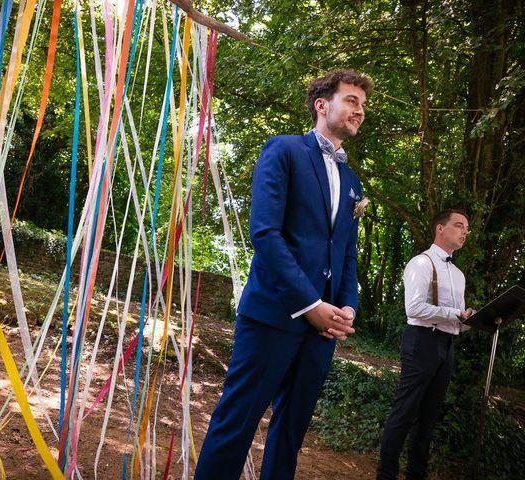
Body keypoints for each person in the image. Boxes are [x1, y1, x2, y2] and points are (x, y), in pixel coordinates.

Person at [194, 69, 373, 479]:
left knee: (292, 431)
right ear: (322, 104)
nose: (359, 111)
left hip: (324, 329)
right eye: (351, 101)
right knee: (237, 420)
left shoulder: (352, 181)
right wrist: (310, 304)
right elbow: (266, 234)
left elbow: (346, 255)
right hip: (274, 314)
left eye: (363, 106)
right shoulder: (284, 150)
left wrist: (346, 307)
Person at [377, 209, 475, 480]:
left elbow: (457, 320)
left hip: (447, 345)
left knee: (429, 417)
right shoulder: (421, 263)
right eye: (459, 225)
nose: (465, 231)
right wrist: (455, 314)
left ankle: (416, 475)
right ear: (440, 229)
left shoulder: (459, 275)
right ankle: (386, 475)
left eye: (467, 227)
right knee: (404, 412)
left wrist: (471, 320)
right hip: (422, 341)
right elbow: (415, 307)